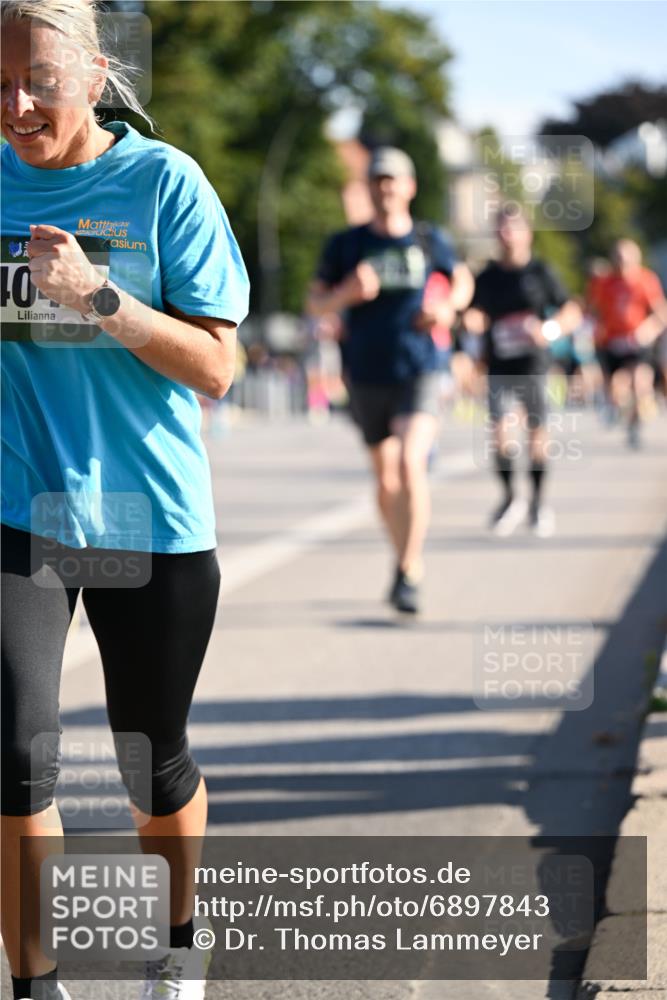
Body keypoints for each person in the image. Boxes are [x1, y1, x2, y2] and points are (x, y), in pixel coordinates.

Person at [0, 2, 249, 998]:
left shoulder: (161, 182)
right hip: (19, 508)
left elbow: (219, 367)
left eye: (38, 82)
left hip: (150, 514)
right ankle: (35, 981)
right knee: (17, 755)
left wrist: (99, 298)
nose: (16, 105)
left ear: (94, 78)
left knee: (155, 756)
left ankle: (180, 940)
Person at [306, 146, 473, 614]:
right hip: (365, 371)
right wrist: (345, 293)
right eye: (378, 180)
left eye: (394, 180)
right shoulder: (347, 245)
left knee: (409, 464)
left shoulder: (428, 238)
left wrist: (447, 307)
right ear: (369, 188)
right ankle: (400, 557)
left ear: (410, 187)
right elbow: (315, 303)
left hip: (419, 366)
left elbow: (462, 281)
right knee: (385, 478)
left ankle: (408, 569)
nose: (386, 188)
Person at [464, 205, 579, 538]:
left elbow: (570, 309)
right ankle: (510, 497)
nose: (507, 235)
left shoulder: (541, 272)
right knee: (499, 434)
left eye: (513, 228)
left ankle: (539, 503)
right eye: (500, 228)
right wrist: (472, 323)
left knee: (536, 438)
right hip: (499, 364)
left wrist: (550, 330)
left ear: (527, 233)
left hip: (534, 365)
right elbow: (472, 313)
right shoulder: (486, 277)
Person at [586, 238, 667, 448]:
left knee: (640, 382)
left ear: (636, 258)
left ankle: (635, 424)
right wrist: (594, 328)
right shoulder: (604, 283)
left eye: (627, 258)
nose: (623, 263)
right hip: (612, 342)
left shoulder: (646, 280)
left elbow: (661, 314)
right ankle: (618, 410)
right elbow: (592, 310)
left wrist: (648, 330)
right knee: (617, 387)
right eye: (619, 258)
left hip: (637, 341)